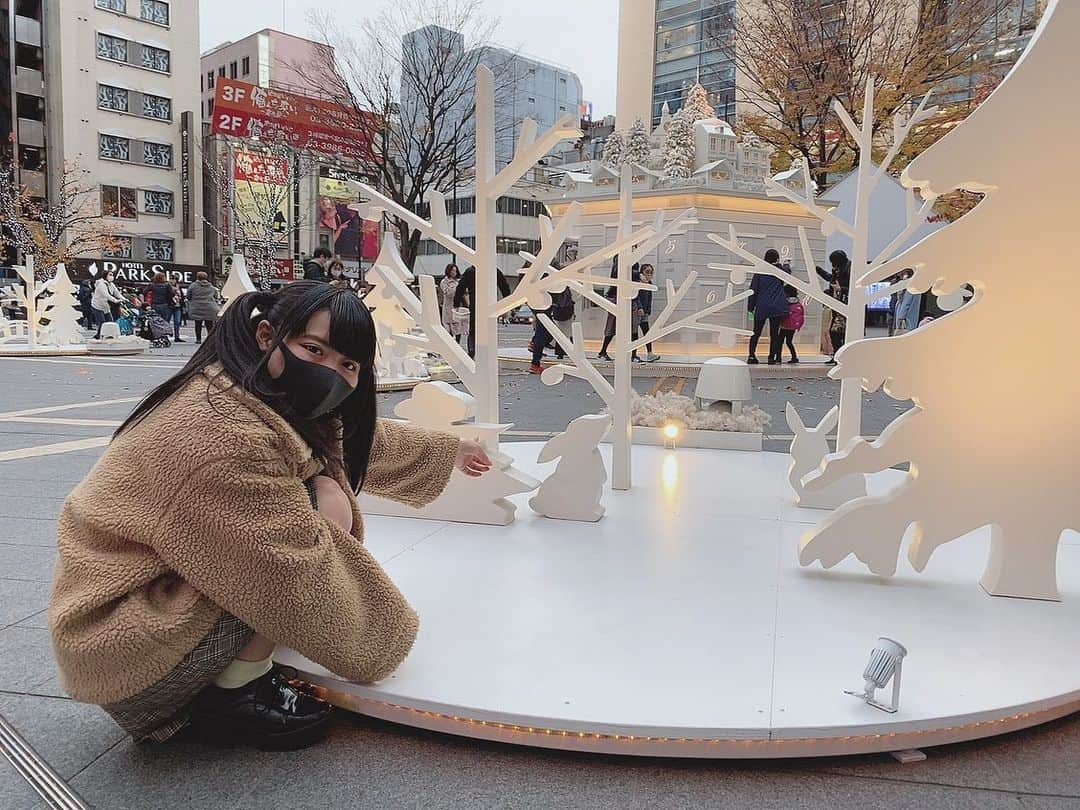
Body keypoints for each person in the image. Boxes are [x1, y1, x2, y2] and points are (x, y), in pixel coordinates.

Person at [49, 282, 493, 750]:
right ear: (267, 336)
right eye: (314, 349)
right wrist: (378, 636)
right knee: (322, 503)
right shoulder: (220, 433)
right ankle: (238, 690)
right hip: (127, 649)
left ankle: (233, 669)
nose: (329, 372)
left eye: (348, 365)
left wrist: (449, 451)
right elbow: (286, 568)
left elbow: (349, 439)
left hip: (134, 608)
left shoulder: (245, 390)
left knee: (316, 491)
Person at [453, 265, 511, 357]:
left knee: (473, 329)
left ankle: (472, 350)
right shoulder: (493, 270)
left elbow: (460, 288)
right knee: (489, 328)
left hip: (475, 303)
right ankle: (486, 351)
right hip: (490, 303)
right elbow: (504, 287)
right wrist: (506, 306)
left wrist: (456, 304)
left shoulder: (470, 271)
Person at [747, 249, 788, 364]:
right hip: (776, 307)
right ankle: (771, 358)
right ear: (776, 258)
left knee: (756, 332)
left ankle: (751, 356)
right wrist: (782, 264)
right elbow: (788, 273)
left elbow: (753, 290)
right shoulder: (779, 271)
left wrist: (750, 307)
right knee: (774, 334)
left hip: (762, 307)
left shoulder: (760, 272)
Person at [597, 259, 640, 362]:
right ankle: (632, 355)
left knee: (630, 329)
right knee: (616, 328)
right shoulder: (621, 266)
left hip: (627, 300)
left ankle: (632, 354)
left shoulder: (624, 266)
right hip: (621, 300)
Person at [186, 272, 221, 344]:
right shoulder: (211, 287)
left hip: (197, 307)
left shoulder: (193, 286)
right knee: (209, 325)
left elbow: (188, 296)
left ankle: (198, 339)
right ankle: (210, 340)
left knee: (198, 324)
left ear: (197, 277)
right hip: (209, 308)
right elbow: (216, 296)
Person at [90, 271, 124, 339]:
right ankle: (98, 336)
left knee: (110, 321)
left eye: (112, 275)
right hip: (97, 306)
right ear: (105, 276)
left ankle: (109, 335)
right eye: (110, 275)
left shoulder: (111, 284)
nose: (112, 276)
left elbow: (116, 293)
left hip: (106, 306)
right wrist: (115, 300)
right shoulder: (101, 284)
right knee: (102, 322)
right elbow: (106, 295)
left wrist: (123, 298)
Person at [635, 264, 657, 363]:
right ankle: (633, 355)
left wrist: (648, 310)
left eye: (651, 272)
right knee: (634, 334)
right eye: (647, 272)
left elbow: (649, 299)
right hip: (636, 311)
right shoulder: (638, 283)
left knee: (647, 333)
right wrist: (639, 307)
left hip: (644, 313)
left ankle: (650, 353)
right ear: (642, 272)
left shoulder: (649, 283)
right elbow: (636, 296)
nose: (649, 274)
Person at [439, 264, 465, 344]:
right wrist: (458, 287)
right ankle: (450, 346)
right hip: (448, 308)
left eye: (455, 271)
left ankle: (457, 344)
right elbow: (448, 293)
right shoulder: (444, 282)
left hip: (457, 308)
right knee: (448, 329)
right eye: (452, 270)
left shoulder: (459, 281)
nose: (454, 272)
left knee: (458, 329)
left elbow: (464, 293)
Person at [778, 284, 805, 364]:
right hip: (792, 327)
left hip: (784, 325)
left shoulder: (785, 301)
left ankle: (778, 358)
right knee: (789, 342)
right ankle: (794, 357)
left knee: (780, 342)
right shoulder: (797, 302)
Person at [149, 272, 177, 341]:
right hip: (164, 305)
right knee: (164, 321)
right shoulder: (167, 285)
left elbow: (144, 291)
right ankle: (164, 336)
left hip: (154, 304)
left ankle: (156, 335)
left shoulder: (152, 285)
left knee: (155, 321)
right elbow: (172, 294)